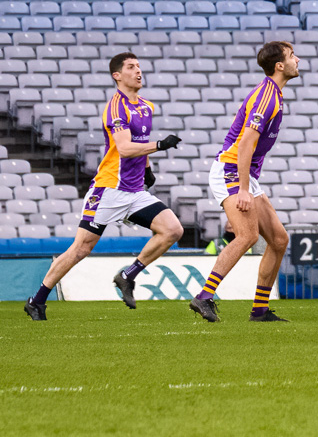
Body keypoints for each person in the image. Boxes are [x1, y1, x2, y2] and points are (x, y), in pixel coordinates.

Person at [24, 53, 184, 321]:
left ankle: (127, 276)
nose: (138, 71)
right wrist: (159, 145)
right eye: (131, 67)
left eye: (139, 67)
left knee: (173, 230)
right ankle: (37, 300)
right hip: (109, 189)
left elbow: (138, 142)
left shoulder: (146, 106)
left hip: (134, 192)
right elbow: (124, 147)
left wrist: (147, 169)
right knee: (81, 249)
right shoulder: (115, 107)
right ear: (117, 76)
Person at [189, 41, 300, 323]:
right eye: (292, 56)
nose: (297, 60)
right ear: (279, 65)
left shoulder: (274, 93)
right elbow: (246, 144)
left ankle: (260, 310)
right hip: (231, 170)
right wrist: (242, 189)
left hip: (242, 173)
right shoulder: (267, 96)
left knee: (278, 240)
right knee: (247, 236)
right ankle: (204, 297)